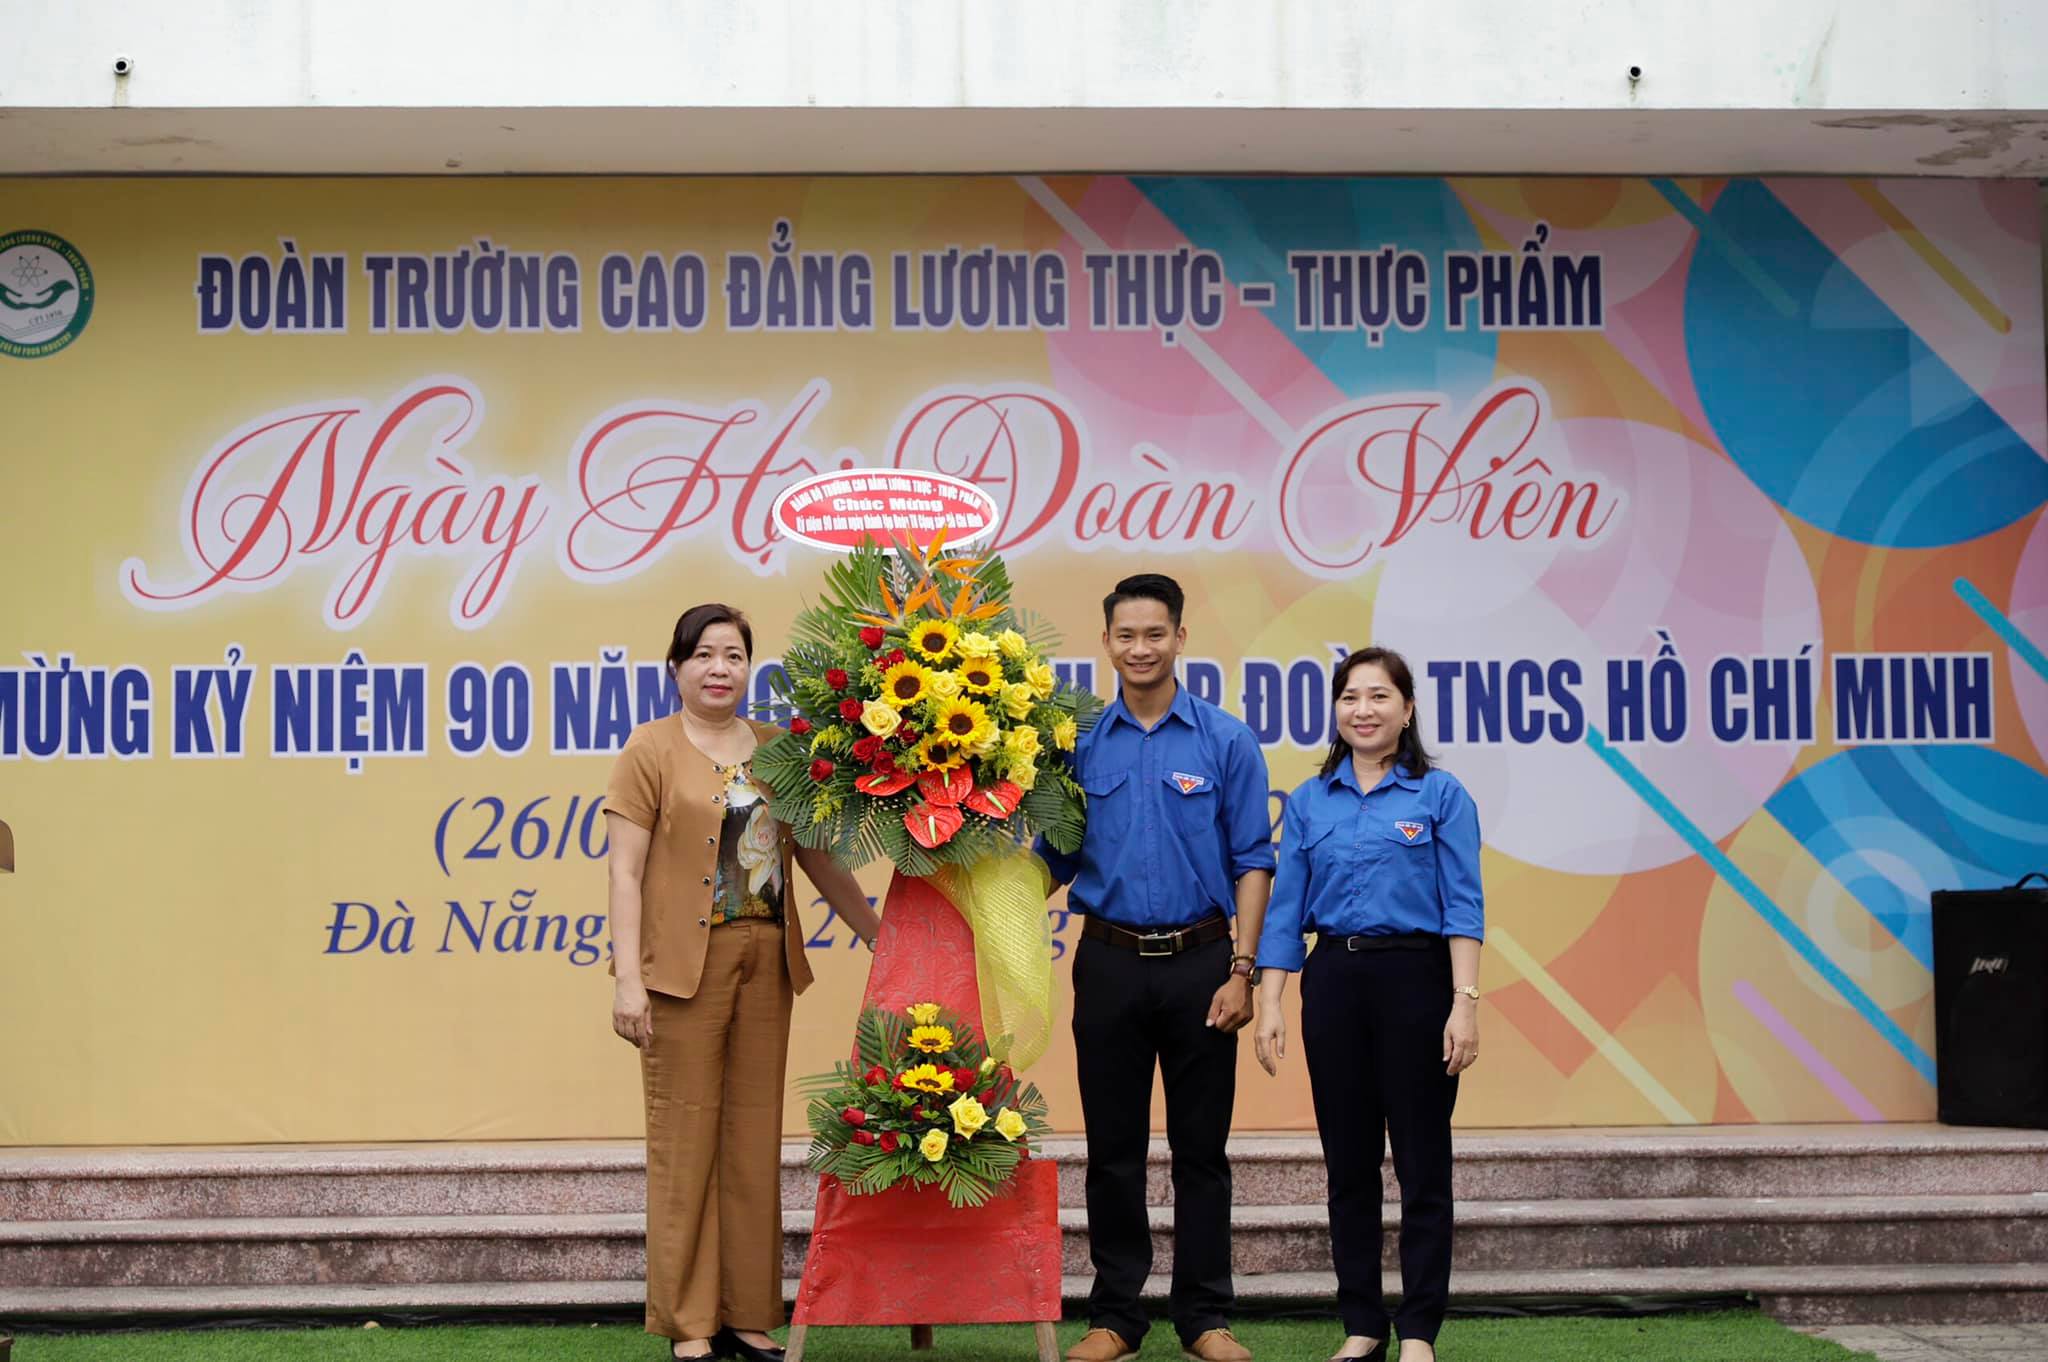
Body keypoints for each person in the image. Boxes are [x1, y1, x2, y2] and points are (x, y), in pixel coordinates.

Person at [605, 602, 883, 1362]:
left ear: (748, 667)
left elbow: (815, 855)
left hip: (766, 960)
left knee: (753, 1138)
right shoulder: (649, 748)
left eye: (732, 655)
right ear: (676, 668)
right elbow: (624, 872)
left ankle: (748, 1314)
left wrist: (875, 930)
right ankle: (689, 1323)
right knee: (684, 1139)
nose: (719, 669)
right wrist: (628, 980)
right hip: (680, 971)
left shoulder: (777, 748)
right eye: (703, 655)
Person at [1038, 573, 1274, 1362]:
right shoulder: (1075, 746)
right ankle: (1115, 1319)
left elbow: (1253, 860)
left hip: (1203, 964)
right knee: (1113, 1153)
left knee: (1201, 1152)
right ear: (1106, 642)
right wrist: (982, 902)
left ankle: (1205, 1319)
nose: (1141, 648)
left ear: (1179, 637)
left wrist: (1242, 970)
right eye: (1126, 635)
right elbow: (1054, 859)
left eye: (1155, 634)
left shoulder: (1226, 740)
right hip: (1107, 964)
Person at [1251, 647, 1484, 1362]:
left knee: (1422, 1164)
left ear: (1406, 709)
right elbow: (1285, 912)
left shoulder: (1440, 796)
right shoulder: (1311, 800)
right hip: (1334, 984)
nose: (1364, 710)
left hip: (1418, 982)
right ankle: (1362, 1325)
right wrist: (1270, 1002)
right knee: (1348, 1165)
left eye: (1380, 696)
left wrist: (1464, 1003)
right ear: (1336, 710)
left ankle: (1418, 1332)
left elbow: (1463, 906)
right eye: (1351, 697)